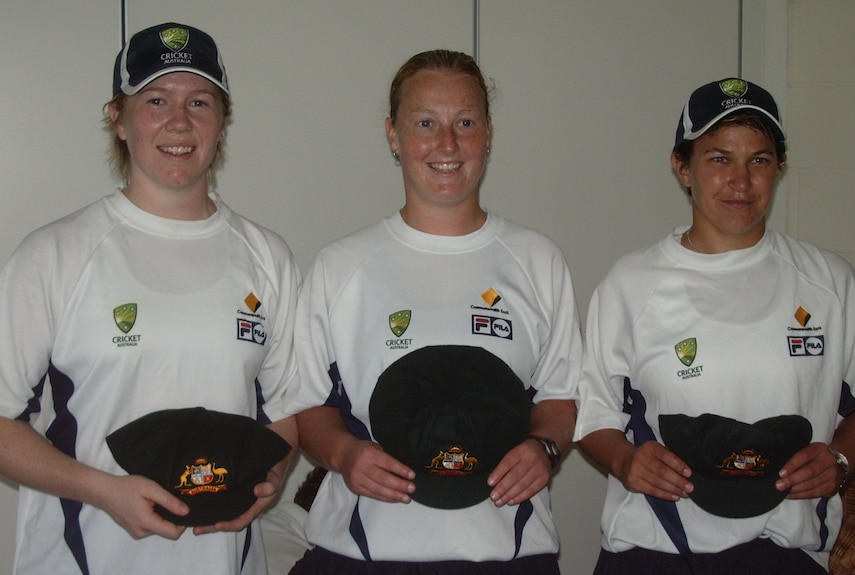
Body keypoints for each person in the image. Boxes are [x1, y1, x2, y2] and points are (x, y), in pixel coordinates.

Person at [0, 22, 300, 574]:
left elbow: (282, 414)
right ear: (118, 118)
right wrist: (103, 491)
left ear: (222, 120)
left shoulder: (267, 257)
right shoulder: (55, 255)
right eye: (156, 99)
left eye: (200, 101)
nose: (179, 122)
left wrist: (273, 478)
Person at [285, 49, 581, 574]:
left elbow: (559, 399)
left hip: (506, 554)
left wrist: (545, 450)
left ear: (488, 132)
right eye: (425, 123)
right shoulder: (341, 266)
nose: (447, 144)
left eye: (465, 122)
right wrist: (345, 456)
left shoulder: (538, 260)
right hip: (364, 555)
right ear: (393, 135)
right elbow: (312, 409)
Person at [574, 77, 855, 574]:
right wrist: (624, 462)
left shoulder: (828, 282)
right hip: (656, 553)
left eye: (760, 159)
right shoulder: (632, 283)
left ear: (780, 167)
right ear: (682, 167)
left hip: (784, 556)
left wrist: (840, 462)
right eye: (719, 158)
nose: (741, 181)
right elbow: (593, 413)